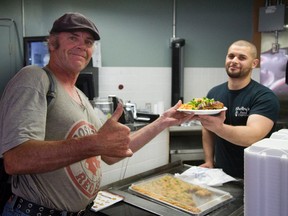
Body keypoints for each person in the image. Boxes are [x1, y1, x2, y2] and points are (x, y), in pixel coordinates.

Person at [0, 12, 194, 216]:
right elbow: (16, 160)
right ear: (52, 43)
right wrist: (94, 143)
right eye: (73, 38)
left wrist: (163, 121)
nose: (82, 46)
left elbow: (110, 153)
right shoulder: (35, 78)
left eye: (88, 41)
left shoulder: (81, 97)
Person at [197, 40, 280, 179]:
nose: (234, 61)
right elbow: (207, 128)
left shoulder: (264, 97)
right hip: (221, 174)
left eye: (242, 58)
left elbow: (252, 136)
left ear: (254, 63)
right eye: (231, 56)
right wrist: (209, 161)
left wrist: (218, 127)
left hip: (256, 176)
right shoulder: (214, 93)